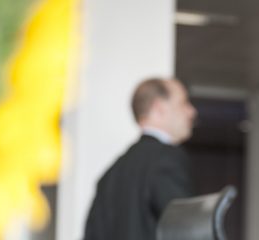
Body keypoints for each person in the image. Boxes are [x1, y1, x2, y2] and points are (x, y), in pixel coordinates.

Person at [84, 77, 198, 240]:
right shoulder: (167, 159)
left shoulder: (110, 175)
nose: (192, 111)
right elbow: (186, 231)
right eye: (184, 103)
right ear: (159, 108)